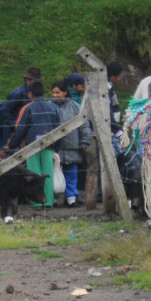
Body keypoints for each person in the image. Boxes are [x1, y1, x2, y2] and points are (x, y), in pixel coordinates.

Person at [5, 80, 59, 207]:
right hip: (49, 145)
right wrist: (58, 145)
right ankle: (49, 201)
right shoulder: (53, 107)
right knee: (48, 174)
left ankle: (37, 202)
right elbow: (58, 127)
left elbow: (21, 129)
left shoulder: (27, 108)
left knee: (33, 175)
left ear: (30, 94)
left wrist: (11, 145)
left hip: (31, 146)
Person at [50, 79, 91, 207]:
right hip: (55, 148)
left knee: (71, 173)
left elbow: (84, 125)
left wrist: (84, 141)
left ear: (65, 92)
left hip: (72, 146)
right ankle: (54, 198)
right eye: (53, 93)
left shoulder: (75, 106)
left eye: (58, 92)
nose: (55, 95)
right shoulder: (48, 107)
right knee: (54, 172)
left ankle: (71, 198)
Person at [0, 65, 43, 142]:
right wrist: (15, 124)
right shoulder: (17, 94)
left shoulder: (37, 93)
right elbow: (4, 110)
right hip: (19, 133)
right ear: (28, 80)